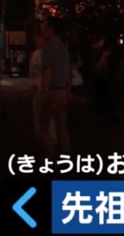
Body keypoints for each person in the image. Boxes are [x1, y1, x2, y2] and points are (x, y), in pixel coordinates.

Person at [36, 17, 72, 159]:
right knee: (62, 127)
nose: (42, 30)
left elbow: (48, 70)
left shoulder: (48, 47)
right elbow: (68, 71)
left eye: (44, 27)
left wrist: (45, 90)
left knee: (43, 127)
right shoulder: (63, 47)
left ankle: (49, 158)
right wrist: (68, 91)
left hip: (53, 91)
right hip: (62, 90)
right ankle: (66, 157)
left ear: (50, 29)